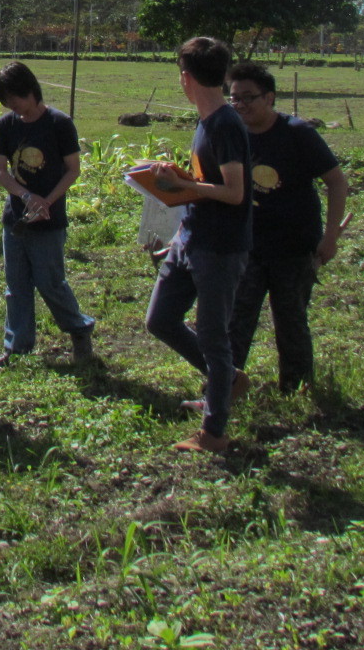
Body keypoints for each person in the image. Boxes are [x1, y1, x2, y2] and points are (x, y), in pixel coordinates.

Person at [143, 37, 253, 453]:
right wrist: (176, 183)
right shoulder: (205, 121)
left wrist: (185, 183)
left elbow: (235, 192)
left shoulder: (225, 124)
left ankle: (214, 432)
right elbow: (205, 186)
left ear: (186, 77)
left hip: (220, 247)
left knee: (212, 336)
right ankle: (229, 380)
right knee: (160, 320)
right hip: (190, 238)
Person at [225, 61, 349, 393]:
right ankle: (226, 386)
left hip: (294, 248)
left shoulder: (298, 134)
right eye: (234, 98)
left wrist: (331, 235)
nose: (240, 105)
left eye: (248, 97)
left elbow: (337, 183)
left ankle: (296, 389)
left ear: (270, 98)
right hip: (248, 246)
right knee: (236, 321)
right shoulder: (232, 135)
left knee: (291, 322)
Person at [0, 61, 94, 369]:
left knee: (50, 282)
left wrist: (48, 201)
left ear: (30, 91)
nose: (13, 108)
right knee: (15, 286)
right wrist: (26, 196)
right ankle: (16, 347)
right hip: (16, 218)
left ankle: (79, 330)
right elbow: (0, 171)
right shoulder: (6, 126)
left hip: (49, 220)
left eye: (15, 100)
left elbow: (73, 170)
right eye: (6, 103)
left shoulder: (59, 123)